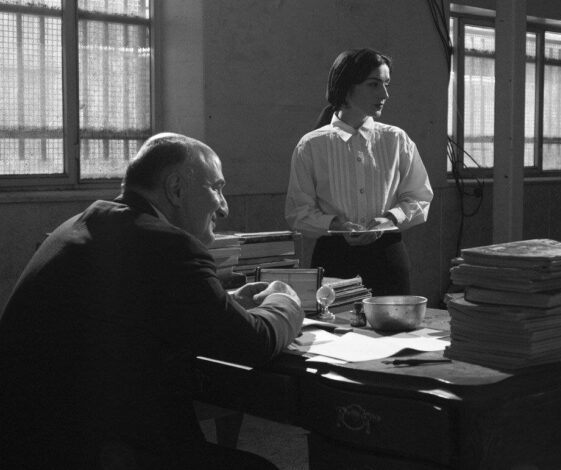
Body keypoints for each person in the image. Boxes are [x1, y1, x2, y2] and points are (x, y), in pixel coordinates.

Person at [0, 133, 304, 469]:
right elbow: (251, 344)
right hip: (100, 452)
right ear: (176, 188)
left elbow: (134, 307)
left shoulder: (81, 225)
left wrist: (224, 304)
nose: (224, 206)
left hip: (31, 443)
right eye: (216, 188)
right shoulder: (169, 246)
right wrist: (286, 300)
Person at [285, 48, 433, 297]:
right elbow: (298, 211)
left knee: (392, 322)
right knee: (333, 322)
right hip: (334, 258)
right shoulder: (311, 145)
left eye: (386, 84)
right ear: (346, 86)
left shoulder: (396, 139)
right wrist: (337, 225)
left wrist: (390, 218)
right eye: (374, 84)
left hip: (387, 257)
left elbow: (420, 196)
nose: (384, 94)